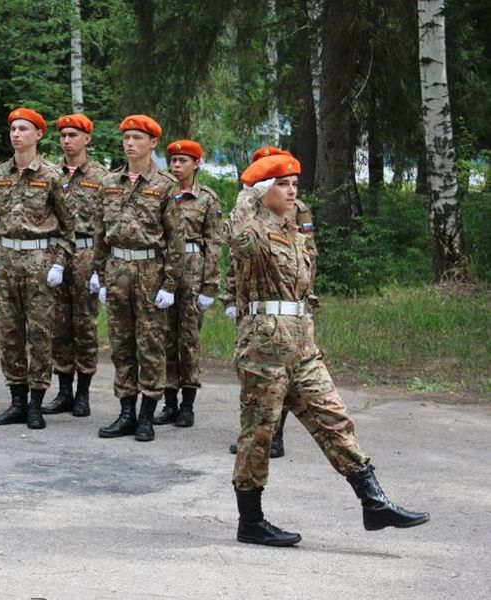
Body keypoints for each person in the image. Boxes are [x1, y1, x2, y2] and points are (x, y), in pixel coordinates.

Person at [229, 151, 429, 547]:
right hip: (264, 347)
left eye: (294, 183)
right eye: (282, 184)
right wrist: (248, 193)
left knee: (333, 418)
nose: (291, 190)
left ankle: (373, 501)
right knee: (259, 434)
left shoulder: (295, 232)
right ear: (264, 190)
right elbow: (237, 236)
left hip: (302, 344)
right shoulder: (250, 228)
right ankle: (250, 521)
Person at [91, 115, 183, 442]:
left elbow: (175, 240)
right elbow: (100, 233)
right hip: (117, 270)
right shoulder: (109, 183)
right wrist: (96, 273)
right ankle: (126, 411)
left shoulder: (166, 185)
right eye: (127, 138)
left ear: (152, 143)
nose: (130, 143)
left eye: (137, 138)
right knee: (121, 344)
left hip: (150, 272)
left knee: (151, 344)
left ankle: (147, 414)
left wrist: (171, 284)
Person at [225, 146, 318, 458]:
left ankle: (273, 435)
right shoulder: (246, 209)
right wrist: (231, 295)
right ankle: (254, 432)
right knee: (255, 369)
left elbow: (306, 255)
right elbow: (235, 258)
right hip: (250, 300)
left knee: (284, 373)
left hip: (284, 303)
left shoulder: (296, 210)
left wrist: (303, 299)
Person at [0, 107, 74, 430]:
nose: (16, 134)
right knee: (8, 334)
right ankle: (17, 400)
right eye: (13, 129)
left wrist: (59, 264)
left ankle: (36, 401)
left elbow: (69, 229)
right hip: (7, 261)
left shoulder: (51, 176)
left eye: (23, 129)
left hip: (39, 264)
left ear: (38, 135)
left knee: (39, 334)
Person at [43, 113, 108, 418]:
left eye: (73, 135)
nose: (67, 140)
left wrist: (100, 268)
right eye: (63, 135)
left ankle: (83, 393)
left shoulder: (102, 177)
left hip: (86, 255)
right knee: (58, 325)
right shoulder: (51, 174)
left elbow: (108, 224)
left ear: (87, 139)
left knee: (84, 326)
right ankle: (64, 390)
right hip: (56, 255)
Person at [154, 139, 221, 428]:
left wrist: (210, 285)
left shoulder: (206, 198)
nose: (177, 165)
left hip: (193, 272)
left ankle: (188, 404)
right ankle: (169, 402)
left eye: (183, 160)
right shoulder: (161, 192)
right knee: (164, 337)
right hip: (164, 271)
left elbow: (214, 243)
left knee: (188, 339)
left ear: (196, 164)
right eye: (174, 160)